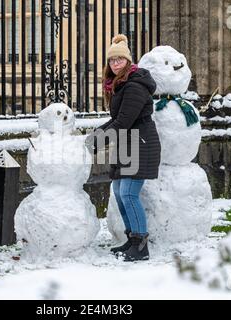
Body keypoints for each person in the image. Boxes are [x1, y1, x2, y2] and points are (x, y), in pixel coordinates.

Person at [85, 34, 161, 261]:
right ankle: (132, 239)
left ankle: (141, 245)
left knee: (128, 193)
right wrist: (93, 138)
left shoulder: (134, 85)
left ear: (128, 61)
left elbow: (123, 122)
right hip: (129, 143)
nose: (115, 63)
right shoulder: (121, 84)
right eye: (112, 60)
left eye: (119, 59)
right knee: (119, 192)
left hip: (141, 143)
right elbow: (117, 120)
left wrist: (97, 141)